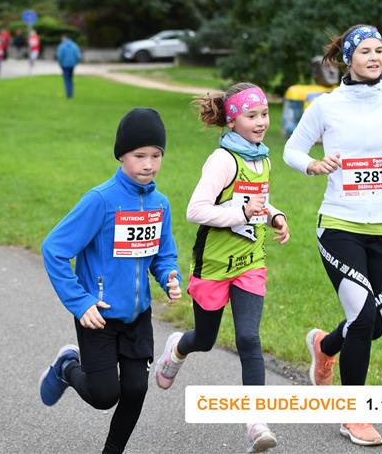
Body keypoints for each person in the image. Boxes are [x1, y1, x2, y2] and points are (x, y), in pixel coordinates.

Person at [283, 24, 382, 447]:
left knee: (375, 325)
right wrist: (313, 165)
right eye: (365, 51)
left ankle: (325, 347)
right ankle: (353, 415)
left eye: (379, 50)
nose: (375, 57)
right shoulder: (327, 106)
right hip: (339, 225)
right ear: (349, 58)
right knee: (362, 320)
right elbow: (293, 149)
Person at [154, 84, 289, 453]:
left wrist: (274, 215)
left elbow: (258, 201)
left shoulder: (262, 158)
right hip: (213, 264)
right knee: (205, 339)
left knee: (249, 338)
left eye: (264, 114)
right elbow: (195, 210)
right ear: (232, 121)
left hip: (250, 261)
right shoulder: (223, 160)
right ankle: (177, 348)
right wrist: (241, 213)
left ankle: (257, 422)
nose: (261, 122)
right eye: (251, 115)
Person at [40, 108, 182, 454]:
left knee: (136, 389)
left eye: (156, 155)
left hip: (137, 317)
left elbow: (162, 254)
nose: (149, 164)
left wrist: (169, 276)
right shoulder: (100, 201)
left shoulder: (160, 204)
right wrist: (80, 301)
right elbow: (54, 249)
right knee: (104, 396)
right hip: (99, 316)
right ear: (121, 155)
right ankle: (67, 366)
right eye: (139, 156)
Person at [56, 34, 81, 98]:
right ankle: (71, 93)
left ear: (65, 38)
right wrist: (75, 62)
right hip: (72, 65)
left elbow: (59, 56)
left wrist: (60, 63)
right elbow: (78, 56)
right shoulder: (74, 45)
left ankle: (69, 94)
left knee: (67, 79)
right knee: (70, 78)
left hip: (64, 65)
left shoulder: (62, 46)